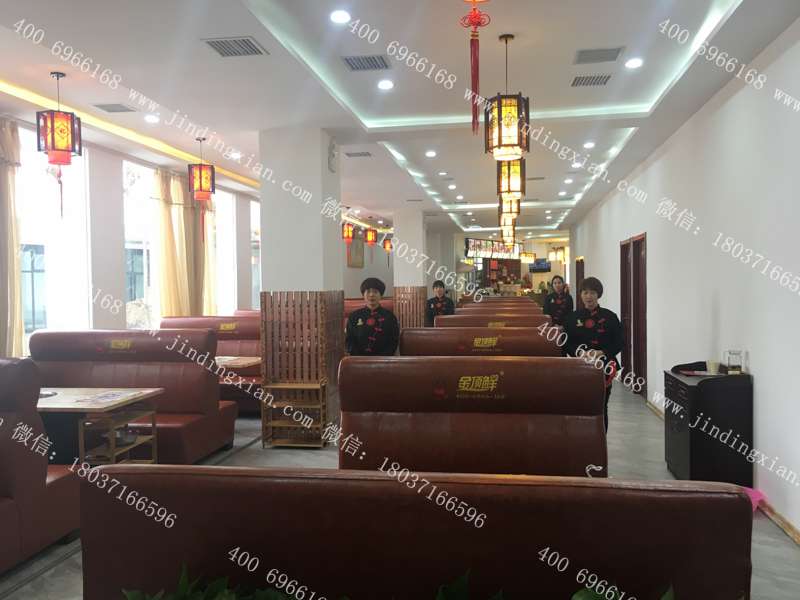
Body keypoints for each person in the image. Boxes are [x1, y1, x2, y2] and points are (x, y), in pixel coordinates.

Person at [563, 277, 623, 432]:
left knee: (601, 406)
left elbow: (619, 342)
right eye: (585, 292)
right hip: (578, 368)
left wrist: (601, 352)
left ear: (598, 294)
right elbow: (566, 343)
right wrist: (580, 352)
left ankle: (600, 440)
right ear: (580, 295)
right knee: (580, 405)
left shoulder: (610, 317)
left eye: (592, 293)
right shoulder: (572, 318)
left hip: (604, 367)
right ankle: (582, 438)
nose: (588, 296)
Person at [345, 278, 399, 356]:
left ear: (381, 295)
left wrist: (382, 359)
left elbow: (393, 341)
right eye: (368, 291)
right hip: (358, 360)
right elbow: (349, 340)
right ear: (363, 295)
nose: (371, 295)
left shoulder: (390, 317)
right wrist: (358, 358)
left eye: (375, 292)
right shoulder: (354, 316)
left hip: (383, 360)